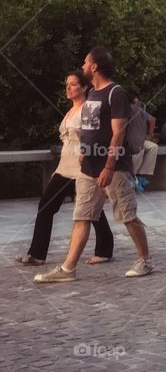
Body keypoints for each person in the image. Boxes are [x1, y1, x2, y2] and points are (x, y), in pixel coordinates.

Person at [35, 47, 154, 282]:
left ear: (95, 67)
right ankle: (68, 269)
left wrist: (109, 166)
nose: (82, 66)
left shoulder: (115, 93)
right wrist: (83, 151)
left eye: (85, 63)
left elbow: (118, 132)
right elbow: (91, 128)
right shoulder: (93, 94)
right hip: (88, 168)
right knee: (82, 216)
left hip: (114, 169)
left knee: (127, 216)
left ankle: (145, 260)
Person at [16, 71, 114, 267]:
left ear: (84, 87)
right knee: (46, 207)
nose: (68, 88)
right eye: (66, 84)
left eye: (73, 84)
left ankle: (104, 250)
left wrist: (88, 155)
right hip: (64, 169)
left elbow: (96, 136)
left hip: (83, 169)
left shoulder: (90, 108)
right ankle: (37, 254)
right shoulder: (70, 111)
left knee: (91, 211)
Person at [129, 98, 158, 192]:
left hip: (140, 139)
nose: (138, 104)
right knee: (139, 149)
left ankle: (140, 175)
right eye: (136, 102)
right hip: (128, 141)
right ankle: (133, 176)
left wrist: (150, 135)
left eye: (138, 102)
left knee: (153, 147)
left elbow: (152, 119)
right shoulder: (124, 111)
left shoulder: (140, 111)